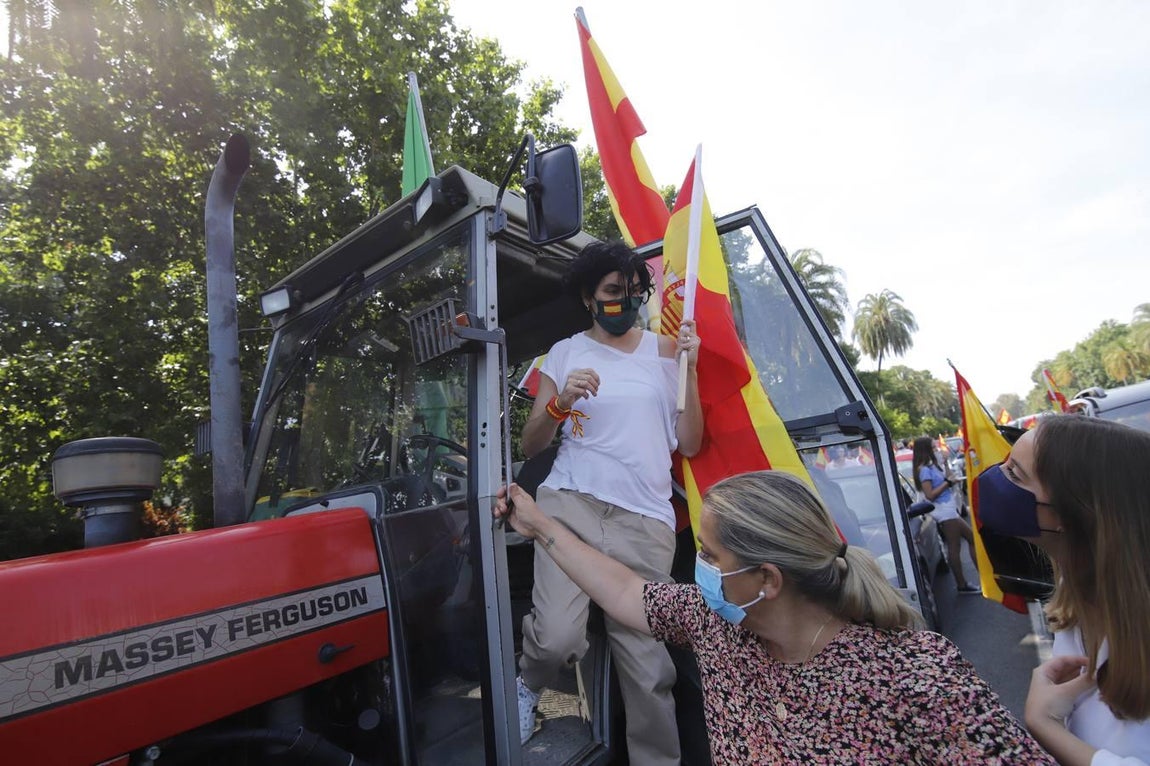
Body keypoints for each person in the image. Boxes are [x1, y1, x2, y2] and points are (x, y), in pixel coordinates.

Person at [495, 470, 1055, 764]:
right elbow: (621, 590)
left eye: (710, 556)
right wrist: (541, 525)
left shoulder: (918, 674)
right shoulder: (715, 625)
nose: (699, 570)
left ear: (767, 580)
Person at [514, 240, 703, 762]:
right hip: (570, 506)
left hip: (645, 521)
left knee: (648, 671)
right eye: (613, 291)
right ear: (588, 296)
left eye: (634, 291)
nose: (626, 300)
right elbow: (532, 444)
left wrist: (690, 368)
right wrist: (560, 401)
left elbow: (688, 443)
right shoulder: (565, 352)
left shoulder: (667, 351)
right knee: (555, 638)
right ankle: (528, 683)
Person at [975, 416, 1150, 765]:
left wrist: (1045, 725)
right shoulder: (1077, 588)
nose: (994, 479)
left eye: (1015, 475)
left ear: (1070, 515)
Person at [912, 435, 981, 593]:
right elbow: (930, 495)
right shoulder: (923, 470)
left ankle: (977, 578)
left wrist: (945, 463)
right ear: (926, 450)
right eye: (933, 447)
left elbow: (948, 478)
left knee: (970, 540)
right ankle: (962, 584)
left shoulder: (932, 466)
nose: (936, 449)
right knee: (954, 546)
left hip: (949, 509)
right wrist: (947, 484)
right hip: (943, 512)